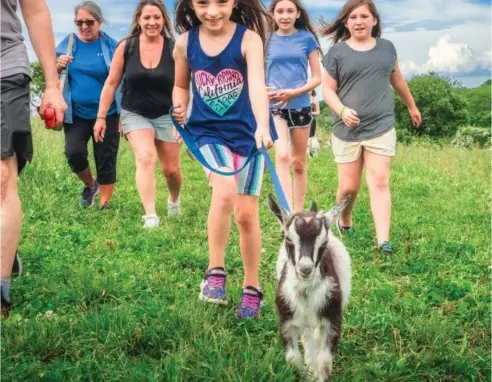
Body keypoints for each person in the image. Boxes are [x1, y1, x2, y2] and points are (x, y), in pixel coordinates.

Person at [172, 0, 275, 319]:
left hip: (249, 133)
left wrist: (262, 124)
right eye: (203, 3)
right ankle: (215, 272)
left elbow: (257, 85)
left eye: (221, 2)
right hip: (207, 133)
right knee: (225, 190)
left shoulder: (248, 40)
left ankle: (252, 289)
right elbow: (180, 84)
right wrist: (179, 106)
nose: (212, 11)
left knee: (246, 214)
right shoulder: (184, 42)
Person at [320, 0, 422, 255]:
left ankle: (383, 241)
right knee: (349, 188)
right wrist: (342, 111)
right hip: (346, 131)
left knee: (379, 181)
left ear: (374, 20)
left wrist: (411, 105)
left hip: (381, 125)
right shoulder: (337, 53)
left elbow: (396, 79)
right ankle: (344, 219)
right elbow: (327, 90)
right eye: (353, 17)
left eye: (364, 16)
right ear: (345, 22)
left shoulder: (387, 48)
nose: (359, 21)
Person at [1, 0, 67, 316]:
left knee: (2, 177)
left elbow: (35, 10)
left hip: (5, 68)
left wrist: (52, 86)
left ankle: (0, 292)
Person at [95, 0, 182, 228]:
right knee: (145, 157)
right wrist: (101, 117)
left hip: (167, 113)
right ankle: (151, 215)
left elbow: (185, 84)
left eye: (156, 17)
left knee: (171, 170)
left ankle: (174, 200)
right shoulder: (127, 46)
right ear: (138, 20)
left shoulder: (175, 48)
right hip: (135, 112)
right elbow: (111, 83)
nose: (152, 22)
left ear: (164, 20)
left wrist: (185, 113)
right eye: (147, 18)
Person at [56, 1, 121, 209]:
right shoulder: (68, 43)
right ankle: (90, 185)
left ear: (99, 22)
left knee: (106, 157)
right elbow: (52, 71)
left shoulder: (112, 45)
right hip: (77, 114)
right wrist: (58, 65)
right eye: (79, 22)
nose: (84, 27)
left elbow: (123, 80)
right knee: (73, 152)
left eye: (89, 22)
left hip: (108, 113)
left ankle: (105, 203)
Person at [266, 0, 322, 213]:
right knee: (282, 156)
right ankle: (288, 212)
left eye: (290, 11)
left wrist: (295, 92)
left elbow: (317, 78)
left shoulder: (307, 39)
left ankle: (298, 211)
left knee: (298, 162)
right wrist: (264, 89)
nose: (285, 15)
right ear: (273, 14)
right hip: (274, 106)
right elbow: (256, 73)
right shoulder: (266, 40)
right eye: (280, 11)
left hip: (300, 105)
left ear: (297, 14)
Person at [308, 89, 321, 158]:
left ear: (312, 91)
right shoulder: (303, 100)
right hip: (302, 120)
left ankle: (314, 152)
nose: (308, 91)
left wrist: (311, 113)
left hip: (311, 120)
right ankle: (307, 154)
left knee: (311, 137)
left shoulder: (315, 100)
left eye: (310, 90)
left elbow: (318, 112)